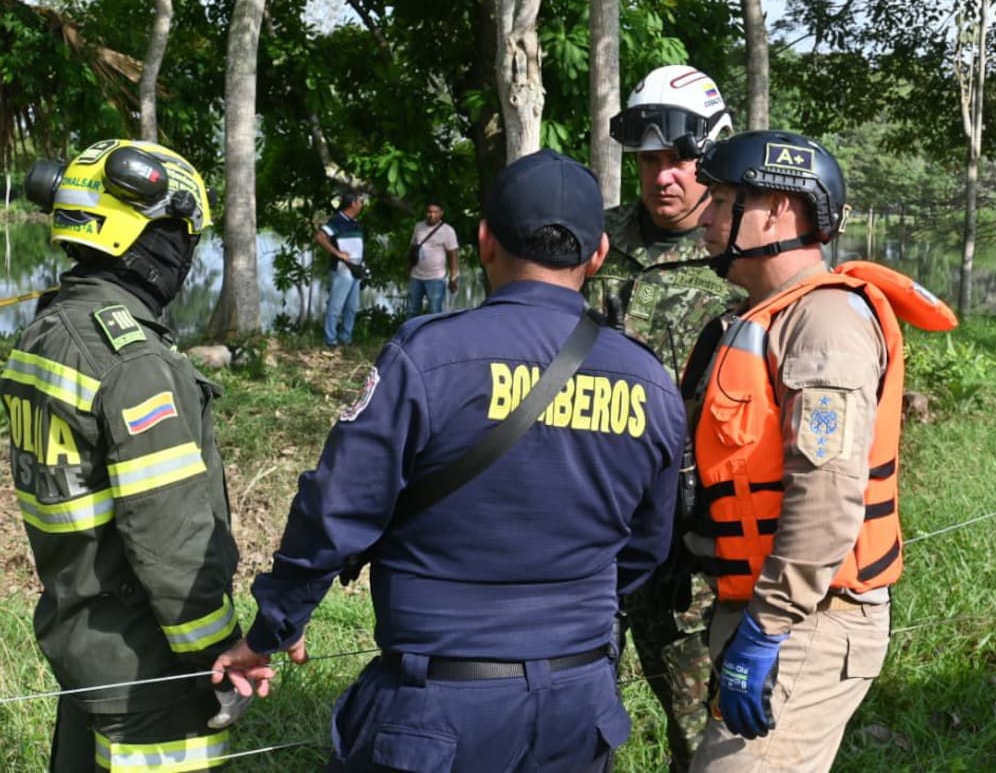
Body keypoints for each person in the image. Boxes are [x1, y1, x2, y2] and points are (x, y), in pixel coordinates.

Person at [212, 149, 687, 772]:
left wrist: (272, 628)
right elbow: (646, 548)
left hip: (439, 711)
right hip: (578, 704)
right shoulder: (650, 382)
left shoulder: (429, 357)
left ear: (485, 241)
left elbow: (335, 509)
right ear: (597, 256)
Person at [685, 130, 955, 772]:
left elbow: (829, 492)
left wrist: (766, 627)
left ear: (777, 211)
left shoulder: (825, 323)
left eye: (723, 202)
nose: (707, 218)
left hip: (806, 618)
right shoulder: (766, 317)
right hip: (772, 607)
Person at [2, 139, 247, 771]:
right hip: (150, 670)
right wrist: (219, 651)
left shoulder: (47, 332)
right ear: (148, 235)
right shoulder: (135, 365)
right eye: (181, 234)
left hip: (84, 647)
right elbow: (171, 540)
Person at [587, 63, 744, 771]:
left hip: (699, 546)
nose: (663, 177)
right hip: (596, 527)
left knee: (706, 730)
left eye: (679, 158)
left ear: (710, 155)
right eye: (649, 161)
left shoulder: (741, 253)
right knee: (572, 716)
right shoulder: (596, 245)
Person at [315, 190, 367, 347]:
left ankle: (346, 337)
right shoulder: (337, 220)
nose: (362, 205)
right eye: (360, 202)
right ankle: (330, 339)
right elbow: (320, 237)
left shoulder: (355, 222)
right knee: (336, 306)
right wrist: (337, 253)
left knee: (352, 307)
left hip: (356, 269)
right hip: (342, 269)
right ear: (353, 204)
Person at [406, 200, 460, 316]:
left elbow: (453, 255)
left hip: (436, 278)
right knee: (411, 310)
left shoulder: (448, 230)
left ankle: (434, 334)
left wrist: (453, 277)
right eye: (429, 212)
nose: (432, 215)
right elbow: (412, 248)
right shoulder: (418, 227)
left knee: (435, 312)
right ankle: (411, 334)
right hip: (416, 276)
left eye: (435, 212)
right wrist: (408, 268)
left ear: (441, 213)